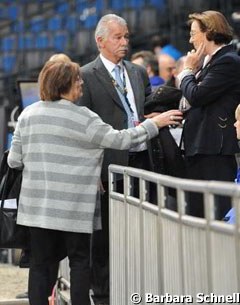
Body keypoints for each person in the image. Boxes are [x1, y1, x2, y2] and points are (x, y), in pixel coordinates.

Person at [7, 60, 182, 305]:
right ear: (66, 84)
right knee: (80, 264)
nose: (81, 83)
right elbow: (121, 140)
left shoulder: (28, 114)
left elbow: (15, 161)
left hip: (37, 210)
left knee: (39, 266)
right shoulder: (84, 117)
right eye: (77, 80)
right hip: (75, 209)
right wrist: (155, 123)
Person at [78, 13, 176, 304]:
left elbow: (144, 106)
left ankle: (139, 286)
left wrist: (153, 116)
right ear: (100, 41)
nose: (124, 42)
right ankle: (104, 293)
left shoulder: (136, 71)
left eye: (127, 37)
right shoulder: (86, 74)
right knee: (106, 234)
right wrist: (92, 169)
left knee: (143, 230)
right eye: (118, 37)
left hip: (144, 158)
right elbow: (85, 127)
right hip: (110, 164)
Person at [16, 52, 72, 301]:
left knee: (42, 261)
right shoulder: (78, 114)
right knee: (59, 259)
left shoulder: (27, 114)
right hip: (64, 201)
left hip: (40, 202)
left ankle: (48, 295)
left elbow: (13, 160)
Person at [177, 10, 240, 219]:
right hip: (201, 146)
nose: (190, 39)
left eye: (194, 33)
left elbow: (197, 95)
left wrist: (186, 71)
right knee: (199, 214)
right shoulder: (209, 62)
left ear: (209, 33)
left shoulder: (228, 61)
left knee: (217, 214)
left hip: (215, 149)